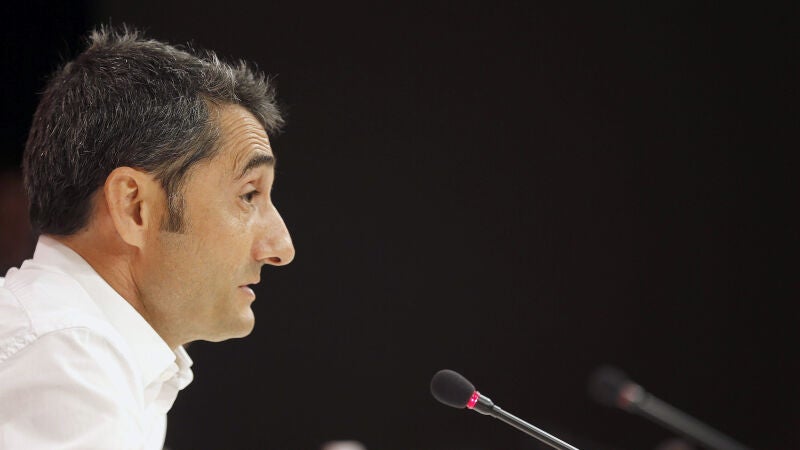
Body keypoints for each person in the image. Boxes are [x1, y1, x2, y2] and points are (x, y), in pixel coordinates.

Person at [0, 26, 295, 448]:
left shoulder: (84, 348)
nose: (282, 248)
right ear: (134, 207)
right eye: (249, 195)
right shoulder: (63, 355)